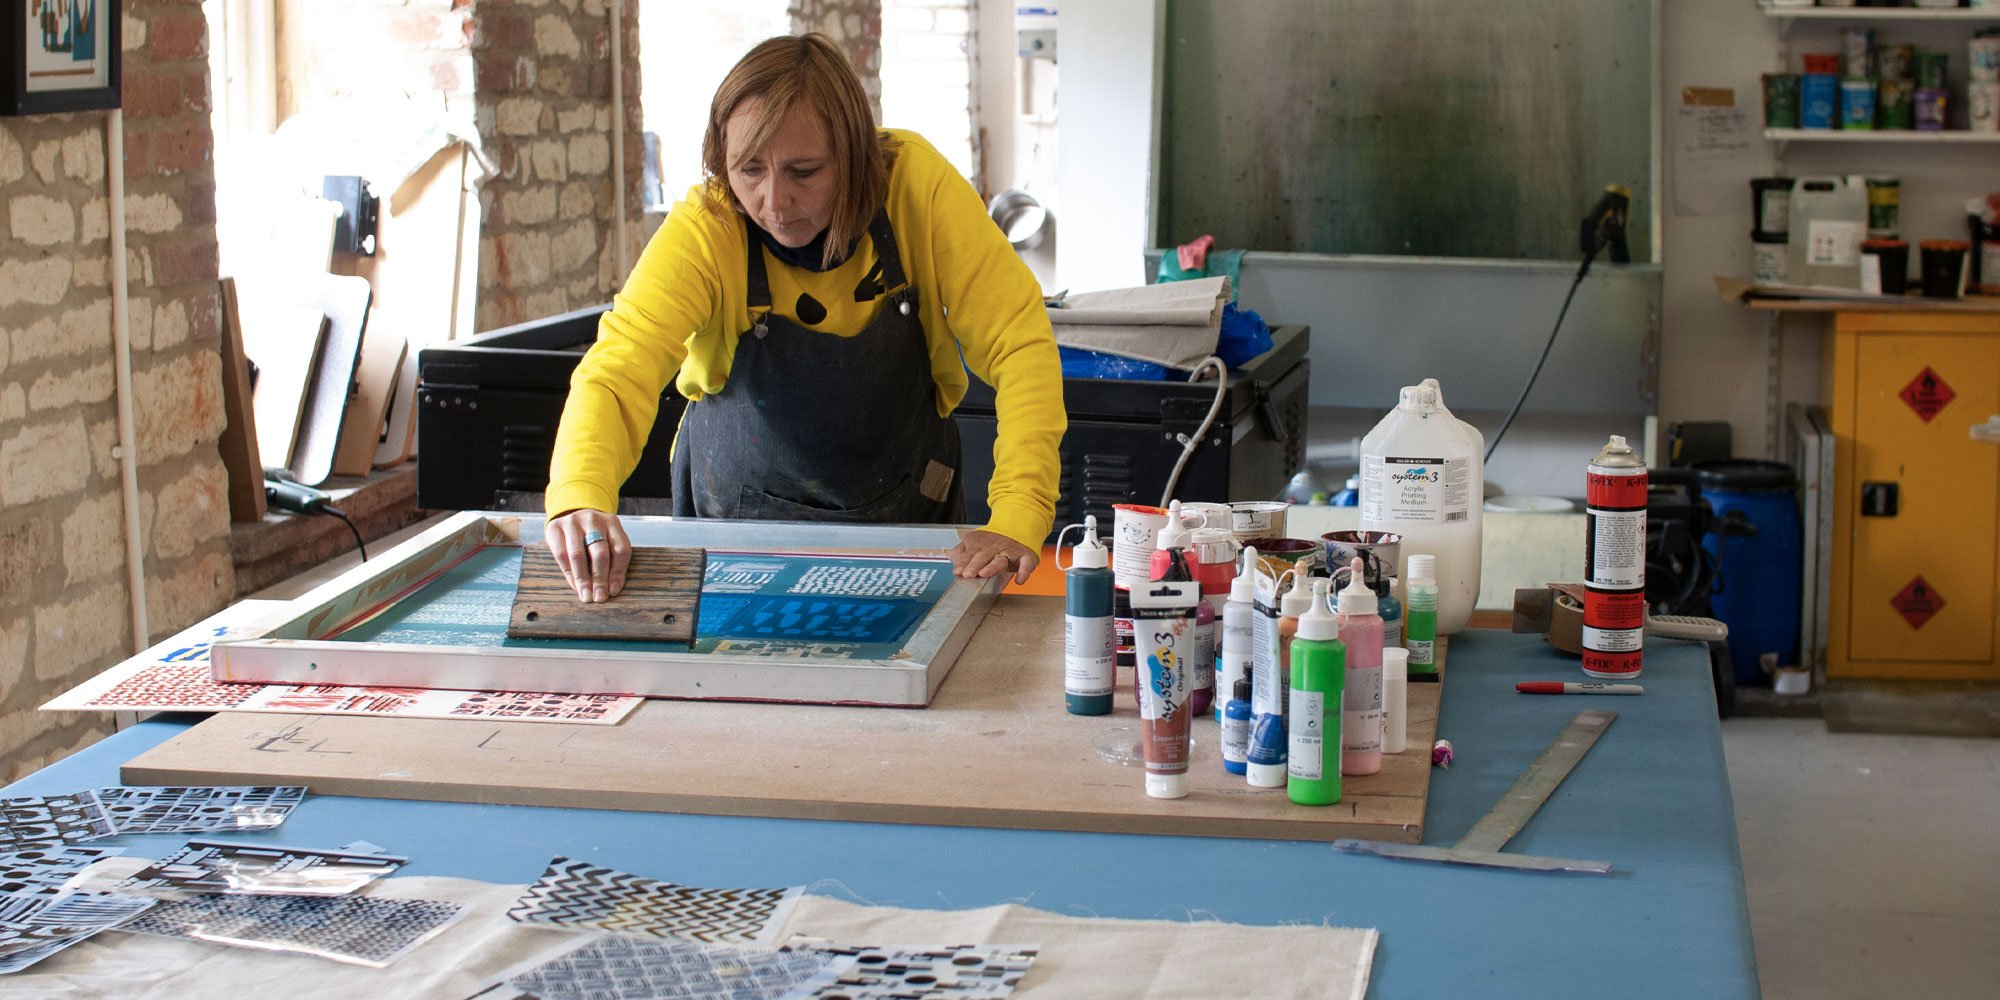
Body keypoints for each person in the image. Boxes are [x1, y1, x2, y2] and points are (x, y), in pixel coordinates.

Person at [544, 33, 1066, 603]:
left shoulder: (917, 186)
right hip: (737, 534)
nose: (774, 202)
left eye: (804, 171)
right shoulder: (706, 228)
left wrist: (1019, 510)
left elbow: (1019, 344)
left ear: (855, 154)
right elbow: (620, 370)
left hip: (912, 522)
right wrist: (579, 493)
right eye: (749, 171)